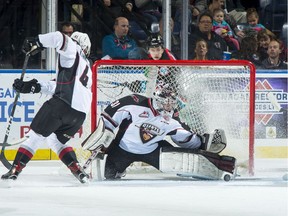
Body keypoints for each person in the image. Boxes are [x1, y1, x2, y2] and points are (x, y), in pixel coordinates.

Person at [82, 85, 231, 180]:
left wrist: (204, 143)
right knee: (109, 175)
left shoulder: (172, 119)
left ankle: (219, 165)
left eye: (171, 103)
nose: (168, 107)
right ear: (158, 100)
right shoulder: (135, 102)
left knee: (186, 163)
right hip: (123, 149)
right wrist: (105, 132)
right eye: (165, 103)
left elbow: (185, 138)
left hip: (153, 151)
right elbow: (109, 114)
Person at [1, 31, 92, 183]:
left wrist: (37, 41)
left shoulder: (73, 50)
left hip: (63, 103)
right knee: (56, 140)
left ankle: (14, 170)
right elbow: (57, 85)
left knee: (35, 136)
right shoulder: (86, 65)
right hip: (79, 115)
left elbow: (59, 37)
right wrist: (33, 87)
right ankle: (77, 169)